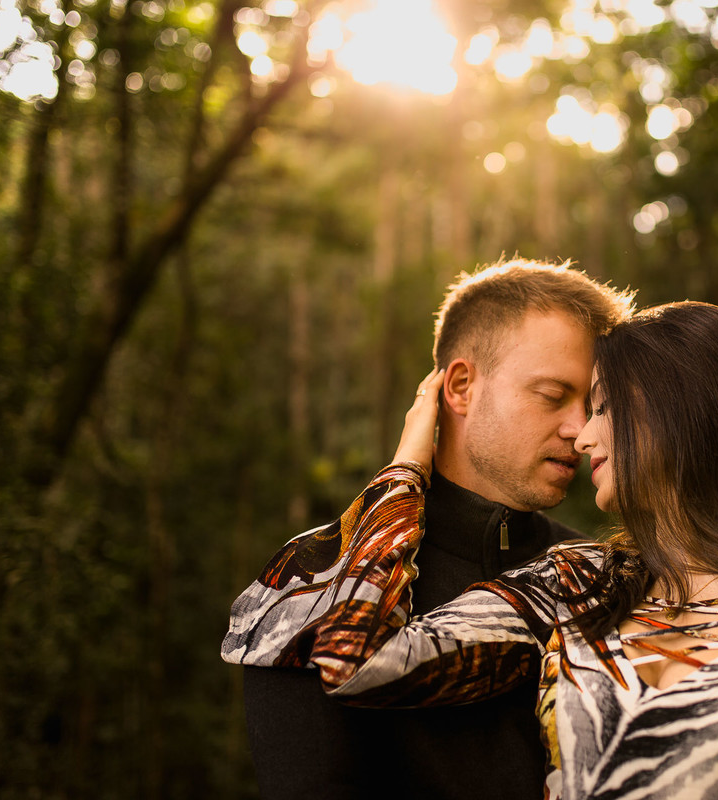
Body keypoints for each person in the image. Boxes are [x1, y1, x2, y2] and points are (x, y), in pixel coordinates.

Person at [226, 301, 718, 799]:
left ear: (683, 415)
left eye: (602, 407)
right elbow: (356, 659)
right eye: (565, 402)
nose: (584, 434)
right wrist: (407, 467)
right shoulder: (583, 580)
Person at [236, 258, 634, 799]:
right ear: (462, 386)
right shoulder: (309, 580)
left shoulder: (598, 577)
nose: (580, 428)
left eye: (593, 404)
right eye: (551, 395)